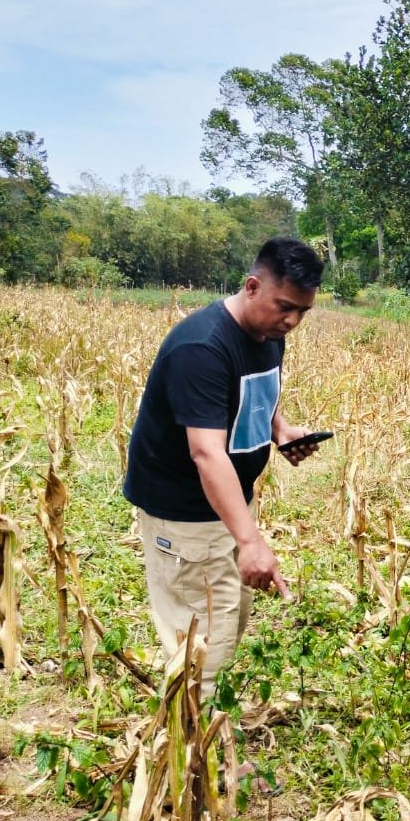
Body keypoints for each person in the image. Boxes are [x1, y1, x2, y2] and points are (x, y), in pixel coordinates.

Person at [123, 236, 326, 695]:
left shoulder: (266, 334)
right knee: (202, 637)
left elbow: (257, 394)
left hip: (225, 505)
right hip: (184, 511)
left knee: (230, 614)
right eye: (285, 307)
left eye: (302, 312)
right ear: (252, 286)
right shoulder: (201, 348)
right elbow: (206, 453)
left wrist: (282, 431)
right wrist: (250, 541)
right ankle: (199, 755)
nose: (292, 321)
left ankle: (208, 733)